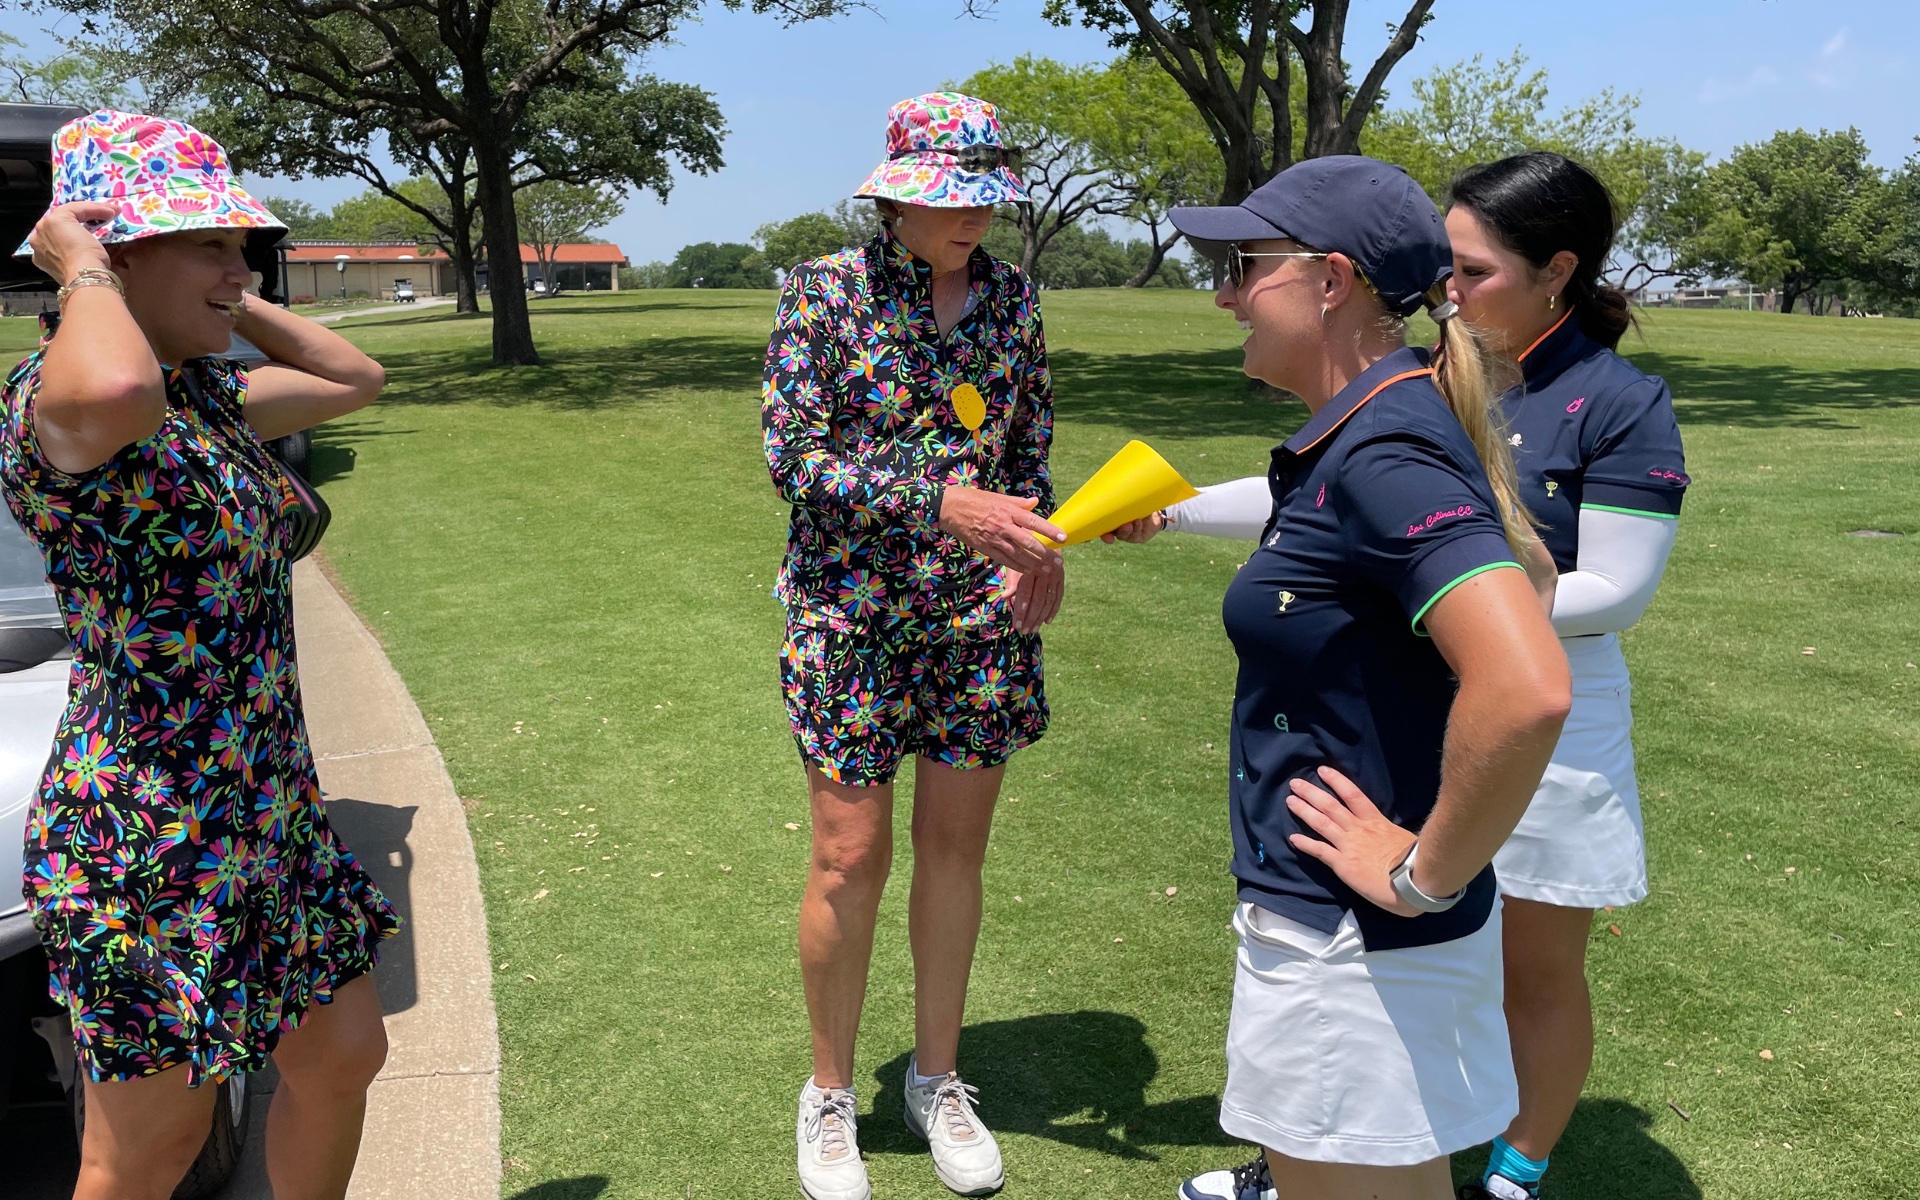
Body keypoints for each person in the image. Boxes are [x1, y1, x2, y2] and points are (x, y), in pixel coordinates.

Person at [1102, 157, 1572, 1200]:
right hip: (1353, 939)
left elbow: (1527, 683)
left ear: (1330, 281)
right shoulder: (1378, 427)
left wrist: (1423, 872)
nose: (1224, 295)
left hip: (1351, 945)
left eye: (1242, 266)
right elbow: (1532, 575)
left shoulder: (1383, 450)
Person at [0, 110, 397, 1200]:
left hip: (268, 810)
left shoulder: (204, 400)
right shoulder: (55, 406)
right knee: (146, 1152)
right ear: (116, 254)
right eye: (209, 243)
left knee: (343, 1057)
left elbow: (354, 375)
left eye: (243, 244)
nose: (242, 266)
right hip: (147, 831)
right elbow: (113, 388)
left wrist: (226, 295)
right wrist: (77, 264)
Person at [761, 92, 1064, 1200]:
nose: (973, 217)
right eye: (951, 199)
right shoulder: (823, 292)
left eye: (985, 198)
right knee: (849, 857)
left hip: (979, 620)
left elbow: (1027, 446)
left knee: (954, 853)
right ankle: (830, 1093)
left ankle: (936, 1080)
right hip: (850, 617)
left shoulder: (1014, 300)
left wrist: (1039, 543)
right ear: (895, 199)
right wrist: (941, 502)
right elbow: (795, 459)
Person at [1445, 152, 1689, 1200]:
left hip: (1556, 719)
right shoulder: (1435, 373)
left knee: (1533, 973)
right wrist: (1173, 510)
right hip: (1424, 700)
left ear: (1557, 271)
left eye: (1474, 273)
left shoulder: (1621, 402)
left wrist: (1452, 600)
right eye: (1446, 269)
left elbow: (1618, 591)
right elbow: (1317, 494)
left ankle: (1515, 1169)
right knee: (1405, 953)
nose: (1450, 294)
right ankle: (1351, 1159)